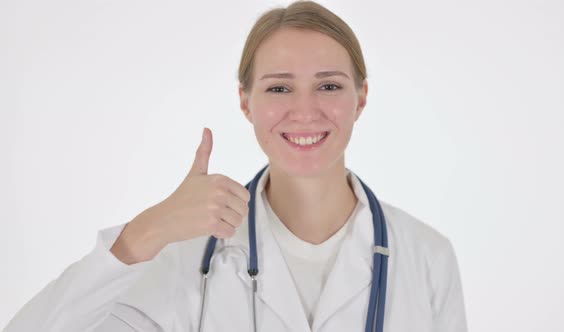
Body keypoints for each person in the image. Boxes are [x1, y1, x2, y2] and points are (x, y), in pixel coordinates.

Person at [4, 1, 468, 331]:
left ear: (360, 97)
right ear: (245, 102)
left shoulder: (426, 257)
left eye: (328, 86)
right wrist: (146, 231)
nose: (305, 111)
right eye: (279, 89)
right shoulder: (189, 258)